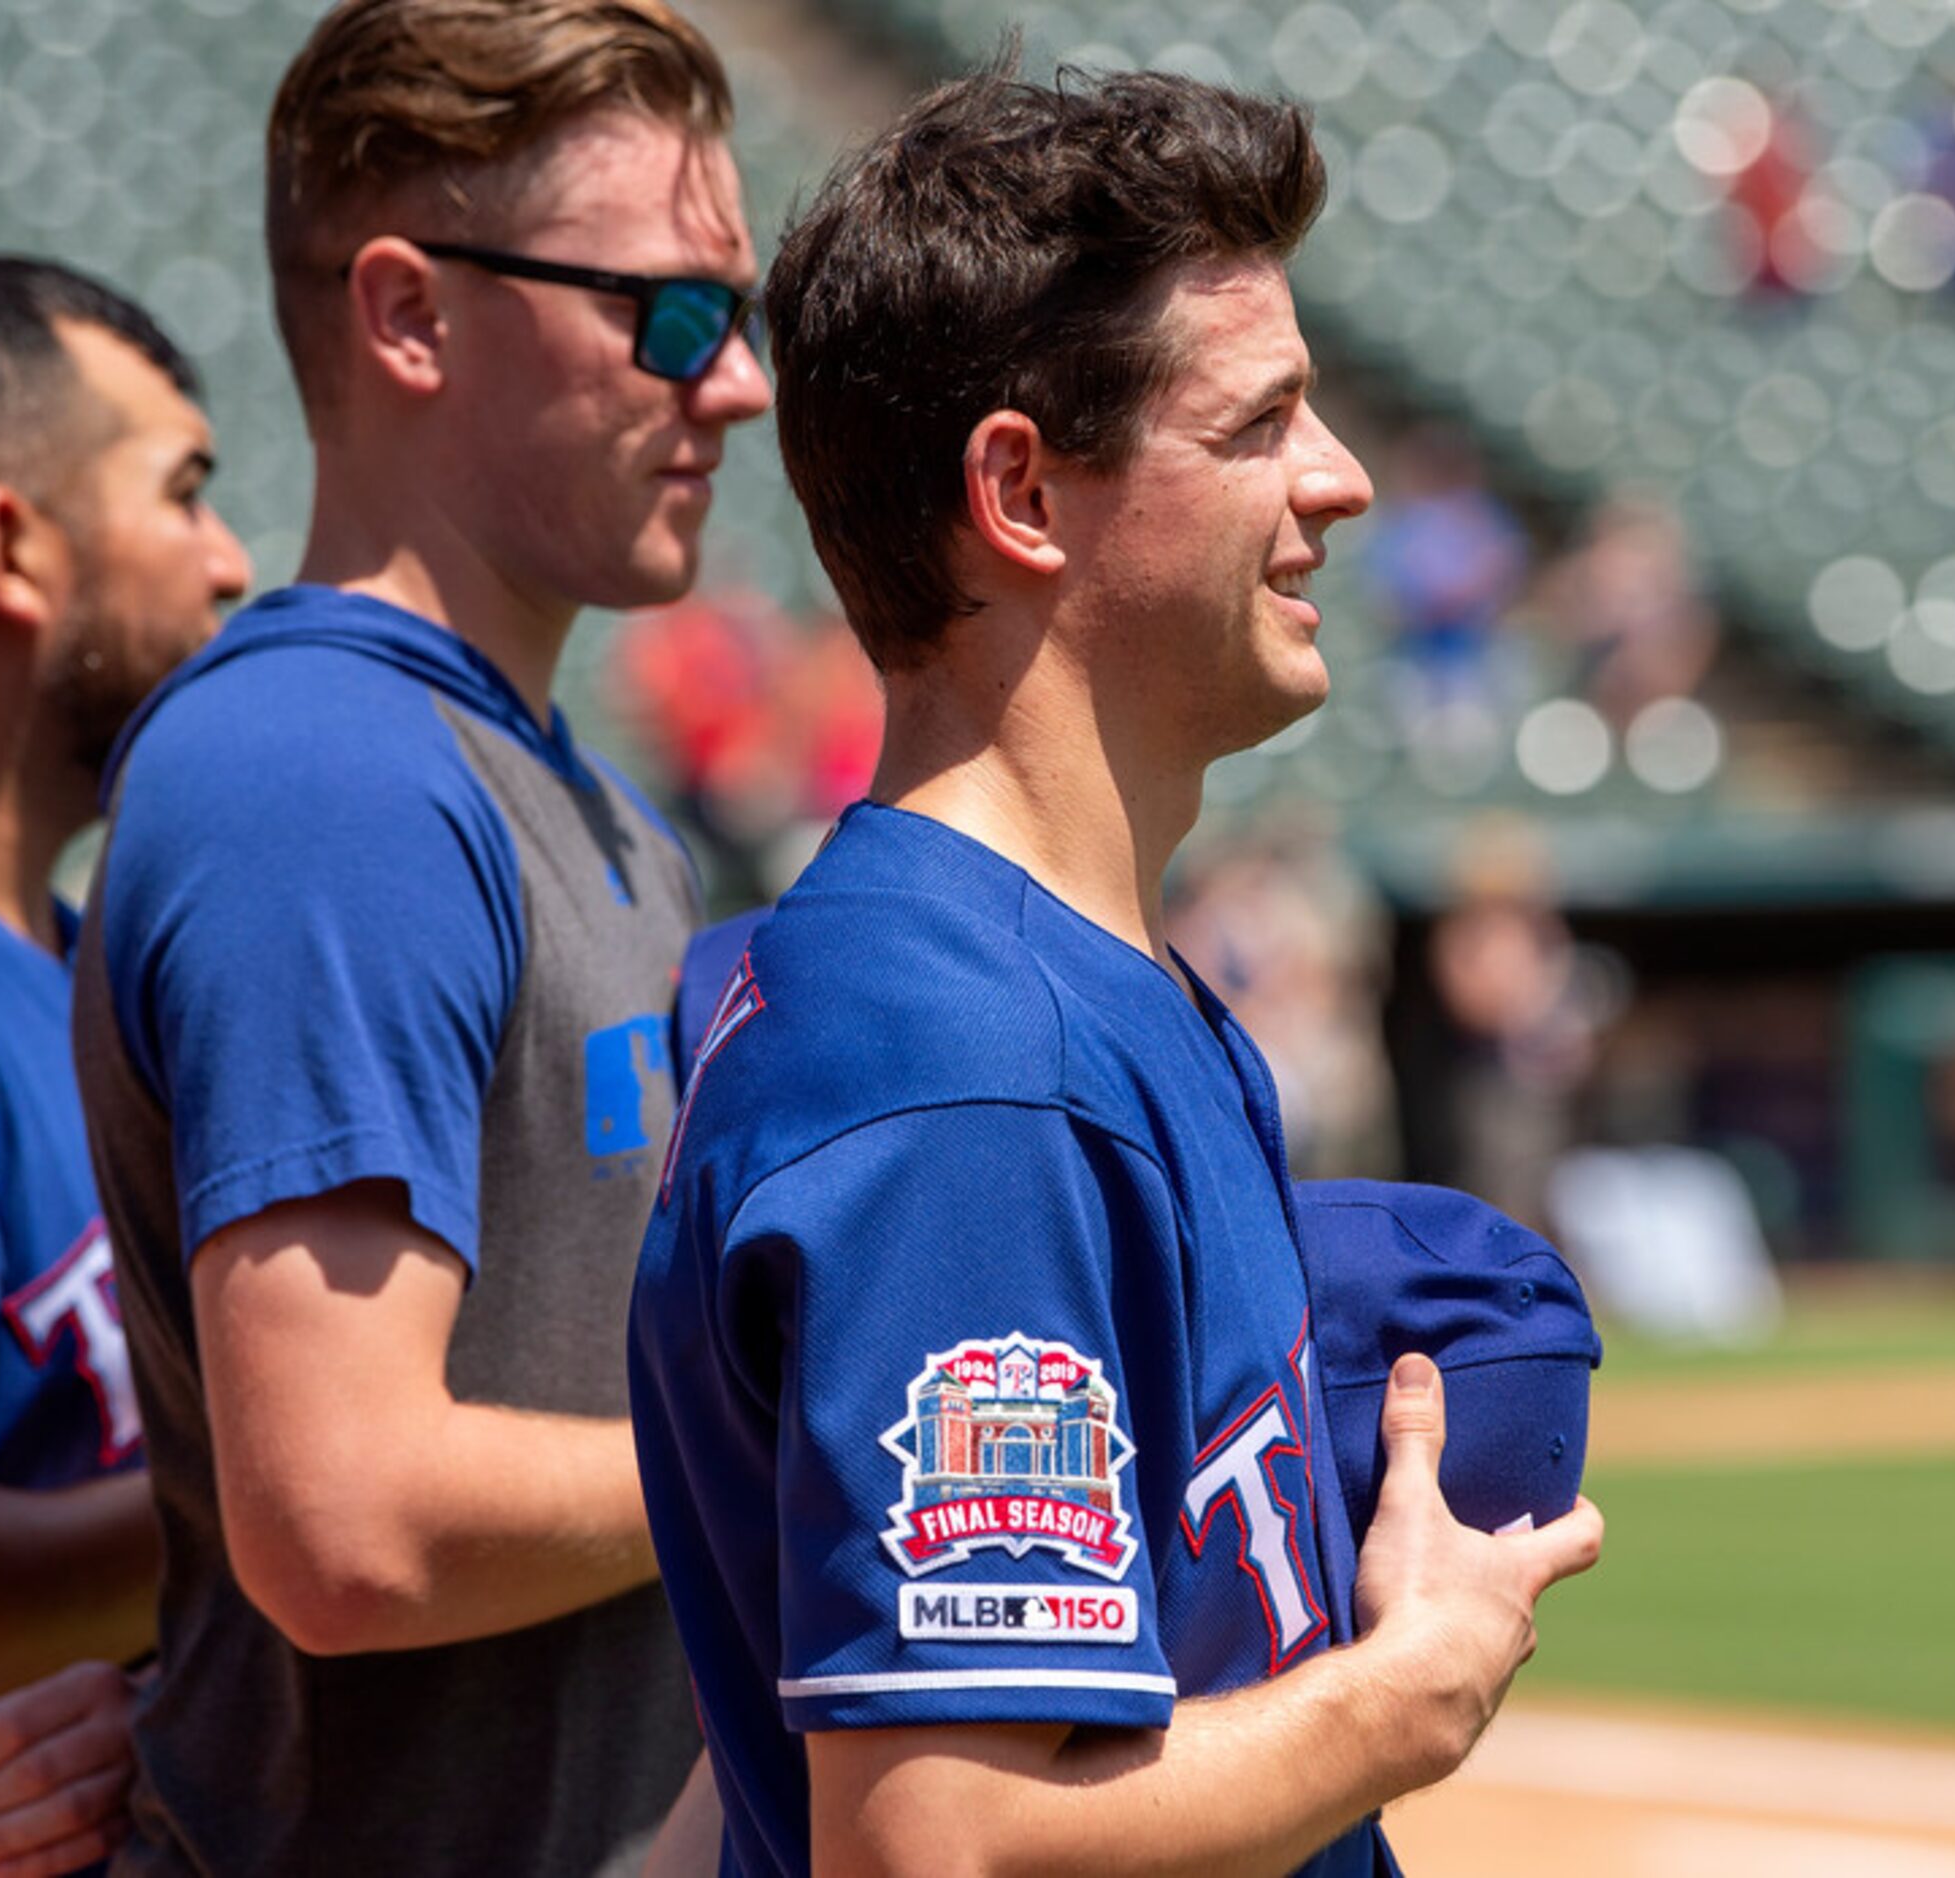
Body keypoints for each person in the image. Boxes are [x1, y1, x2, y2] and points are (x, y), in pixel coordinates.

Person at [630, 65, 1601, 1877]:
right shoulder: (960, 1067)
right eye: (1262, 423)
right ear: (1021, 490)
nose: (1345, 480)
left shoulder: (1069, 982)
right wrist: (1406, 1690)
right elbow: (945, 1841)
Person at [64, 1, 771, 1872]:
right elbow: (350, 1522)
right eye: (672, 313)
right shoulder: (331, 779)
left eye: (742, 315)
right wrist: (819, 1454)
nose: (738, 384)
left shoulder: (576, 796)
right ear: (409, 314)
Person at [0, 249, 247, 1878]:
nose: (232, 563)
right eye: (183, 492)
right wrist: (304, 1499)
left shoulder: (70, 956)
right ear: (13, 545)